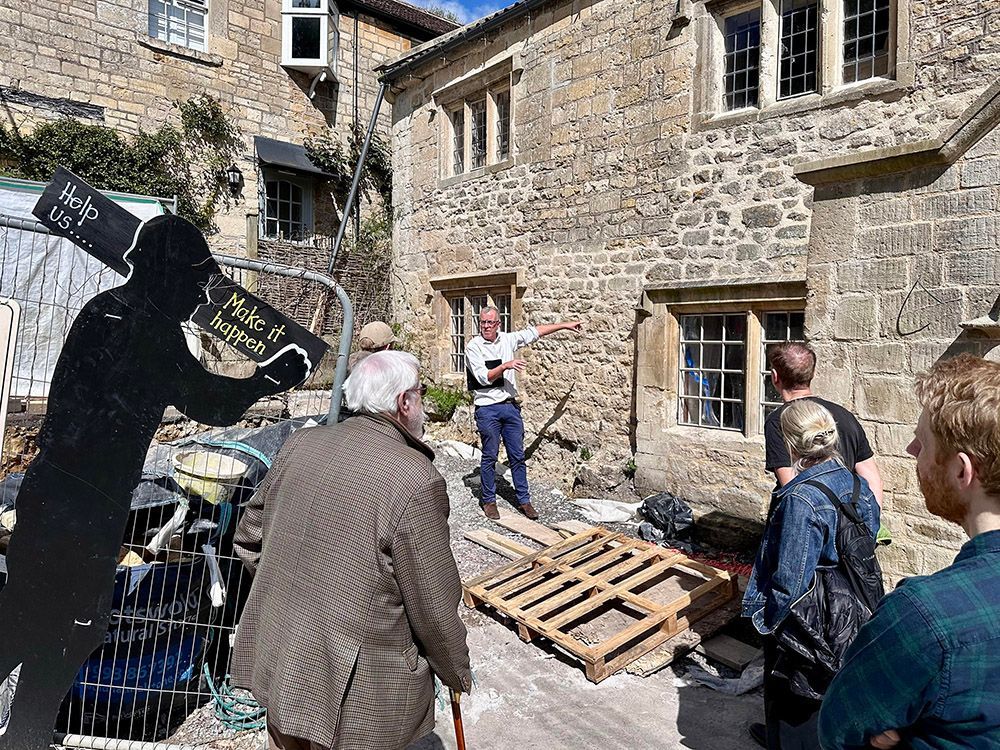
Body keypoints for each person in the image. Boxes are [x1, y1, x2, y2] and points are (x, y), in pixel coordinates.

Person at [0, 215, 306, 750]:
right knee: (48, 623)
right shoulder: (147, 329)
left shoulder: (107, 312)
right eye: (194, 281)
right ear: (165, 273)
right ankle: (26, 733)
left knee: (53, 622)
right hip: (78, 503)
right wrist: (267, 380)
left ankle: (27, 732)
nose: (199, 294)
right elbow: (208, 402)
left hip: (69, 496)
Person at [231, 350, 472, 750]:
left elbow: (249, 538)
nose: (423, 405)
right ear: (404, 401)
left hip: (282, 655)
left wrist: (293, 599)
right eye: (421, 393)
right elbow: (433, 606)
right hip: (357, 691)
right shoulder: (415, 478)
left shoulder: (301, 443)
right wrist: (456, 669)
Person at [819, 354, 1000, 750]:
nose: (910, 448)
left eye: (924, 441)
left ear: (962, 471)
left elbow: (840, 730)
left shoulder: (926, 616)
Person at [744, 399, 879, 750]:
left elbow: (791, 581)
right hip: (850, 610)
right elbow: (868, 543)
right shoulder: (858, 485)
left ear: (791, 443)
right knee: (827, 697)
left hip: (809, 618)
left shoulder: (800, 498)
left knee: (795, 703)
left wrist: (768, 624)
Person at [465, 306, 581, 520]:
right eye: (483, 322)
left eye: (490, 322)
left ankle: (524, 500)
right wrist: (505, 366)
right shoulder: (474, 347)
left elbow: (536, 332)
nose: (486, 326)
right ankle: (489, 500)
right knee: (490, 456)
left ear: (498, 324)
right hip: (487, 408)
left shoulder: (508, 339)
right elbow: (484, 378)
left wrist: (565, 325)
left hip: (510, 407)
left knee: (517, 456)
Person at [765, 342, 883, 506]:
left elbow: (791, 484)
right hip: (848, 516)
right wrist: (870, 519)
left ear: (774, 376)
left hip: (808, 517)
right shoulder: (845, 415)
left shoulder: (779, 420)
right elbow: (872, 477)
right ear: (812, 373)